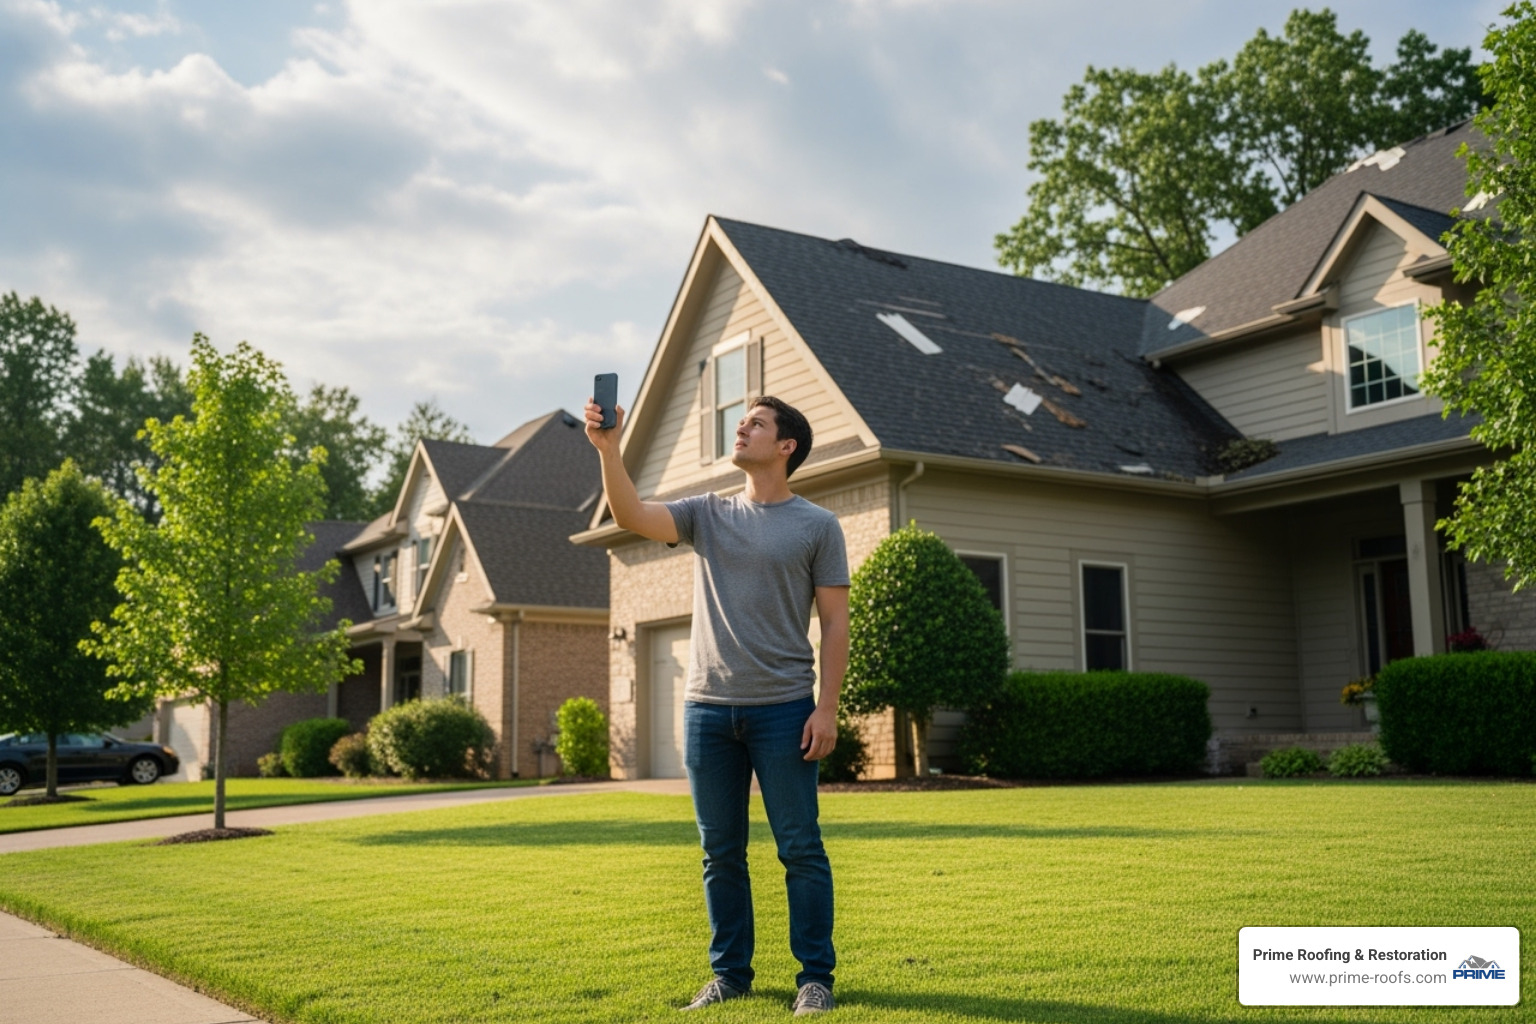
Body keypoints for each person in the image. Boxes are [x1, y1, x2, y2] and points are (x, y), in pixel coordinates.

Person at [585, 392, 849, 1017]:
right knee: (719, 851)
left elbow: (835, 624)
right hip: (706, 710)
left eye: (756, 423)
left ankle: (816, 978)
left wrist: (828, 707)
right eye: (742, 421)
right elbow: (629, 512)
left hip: (785, 708)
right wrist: (609, 449)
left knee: (799, 847)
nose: (743, 428)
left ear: (786, 447)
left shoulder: (818, 525)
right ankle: (731, 975)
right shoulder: (707, 513)